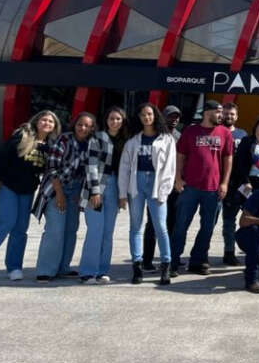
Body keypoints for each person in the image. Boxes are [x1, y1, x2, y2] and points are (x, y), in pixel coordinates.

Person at [0, 110, 60, 283]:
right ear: (36, 121)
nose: (47, 123)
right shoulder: (22, 137)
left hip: (27, 191)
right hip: (8, 187)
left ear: (54, 127)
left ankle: (14, 267)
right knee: (5, 222)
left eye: (50, 121)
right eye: (44, 119)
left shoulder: (51, 147)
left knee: (20, 229)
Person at [170, 100, 234, 277]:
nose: (221, 115)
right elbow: (180, 155)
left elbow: (228, 159)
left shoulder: (225, 133)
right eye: (218, 112)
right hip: (190, 187)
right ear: (207, 112)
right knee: (180, 226)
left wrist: (224, 183)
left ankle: (197, 261)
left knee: (207, 228)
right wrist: (178, 178)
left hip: (213, 189)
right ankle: (172, 261)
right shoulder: (190, 131)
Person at [119, 103, 177, 285]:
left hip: (156, 184)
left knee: (160, 226)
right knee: (135, 226)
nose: (147, 117)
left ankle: (166, 265)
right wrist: (122, 193)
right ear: (139, 117)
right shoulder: (133, 141)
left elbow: (170, 168)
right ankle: (137, 267)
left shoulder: (167, 139)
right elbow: (124, 168)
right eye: (143, 114)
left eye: (150, 114)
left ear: (155, 115)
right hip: (136, 184)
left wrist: (164, 190)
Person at [34, 112, 96, 282]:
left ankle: (63, 268)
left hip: (75, 190)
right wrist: (60, 194)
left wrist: (81, 194)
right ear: (74, 125)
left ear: (92, 128)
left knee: (70, 230)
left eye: (87, 126)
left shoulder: (92, 144)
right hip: (56, 188)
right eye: (80, 124)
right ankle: (45, 270)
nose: (83, 128)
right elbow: (52, 168)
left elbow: (90, 171)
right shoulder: (64, 140)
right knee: (55, 230)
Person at [78, 106, 128, 283]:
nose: (114, 122)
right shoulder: (97, 138)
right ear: (106, 120)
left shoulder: (125, 141)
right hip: (97, 187)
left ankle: (102, 271)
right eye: (111, 118)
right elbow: (91, 166)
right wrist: (95, 190)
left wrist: (123, 194)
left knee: (107, 232)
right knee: (95, 230)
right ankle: (87, 272)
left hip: (115, 188)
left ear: (123, 121)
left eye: (118, 119)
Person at [143, 105, 182, 271]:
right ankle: (147, 260)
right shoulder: (155, 134)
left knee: (172, 223)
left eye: (176, 117)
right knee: (153, 223)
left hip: (174, 187)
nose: (174, 120)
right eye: (170, 116)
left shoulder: (180, 136)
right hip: (156, 186)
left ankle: (169, 259)